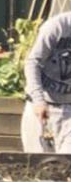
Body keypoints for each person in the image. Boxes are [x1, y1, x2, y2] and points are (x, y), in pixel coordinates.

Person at [22, 11, 71, 152]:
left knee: (67, 165)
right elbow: (33, 62)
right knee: (37, 164)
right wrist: (38, 100)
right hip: (42, 107)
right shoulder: (58, 26)